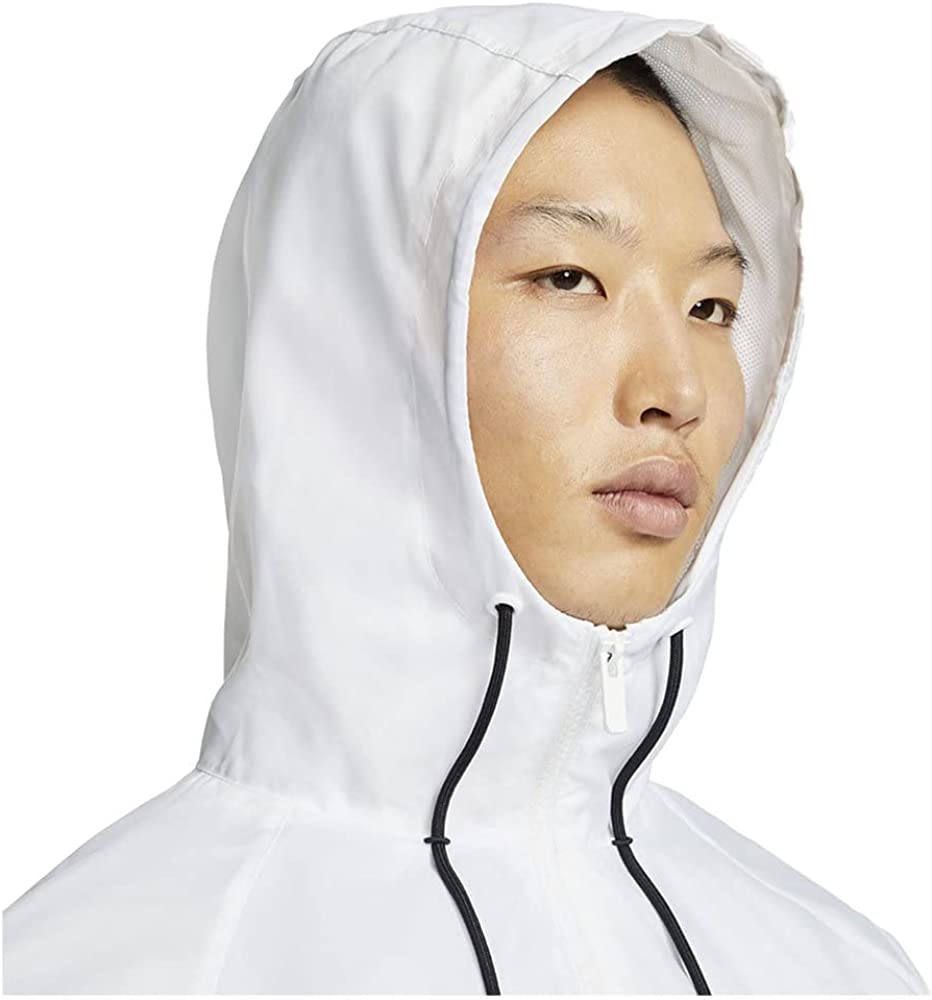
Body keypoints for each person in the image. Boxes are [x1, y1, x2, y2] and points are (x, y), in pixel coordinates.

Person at [3, 4, 927, 995]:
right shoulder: (110, 969)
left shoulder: (839, 968)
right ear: (355, 330)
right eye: (570, 277)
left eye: (711, 307)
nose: (679, 390)